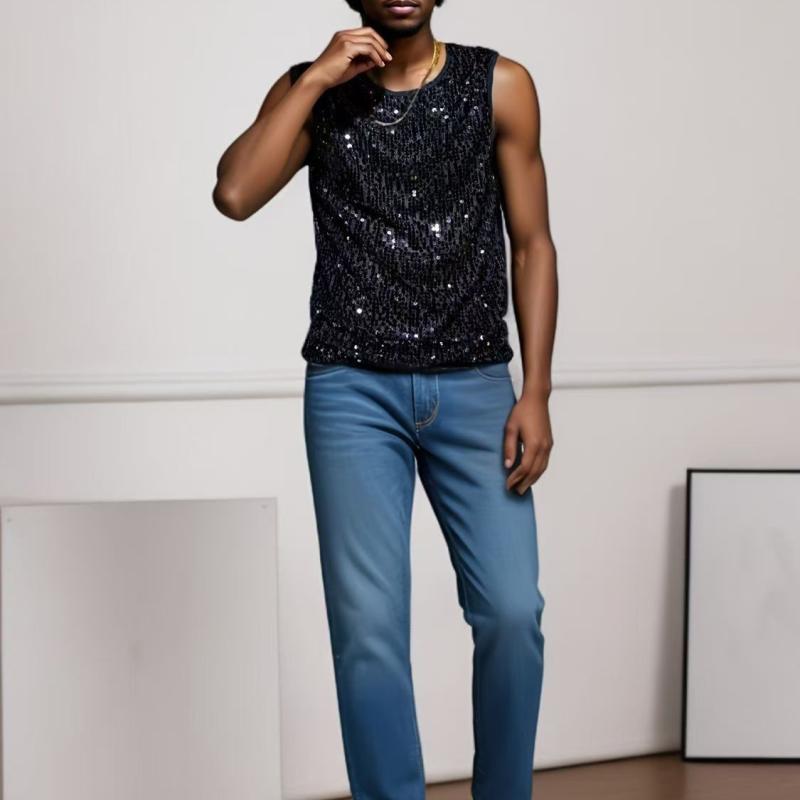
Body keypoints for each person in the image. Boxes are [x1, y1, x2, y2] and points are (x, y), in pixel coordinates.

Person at [213, 1, 558, 796]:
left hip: (477, 387)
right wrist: (315, 81)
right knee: (367, 631)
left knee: (513, 613)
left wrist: (536, 390)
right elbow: (234, 193)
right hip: (352, 395)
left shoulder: (500, 85)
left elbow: (533, 241)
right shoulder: (313, 90)